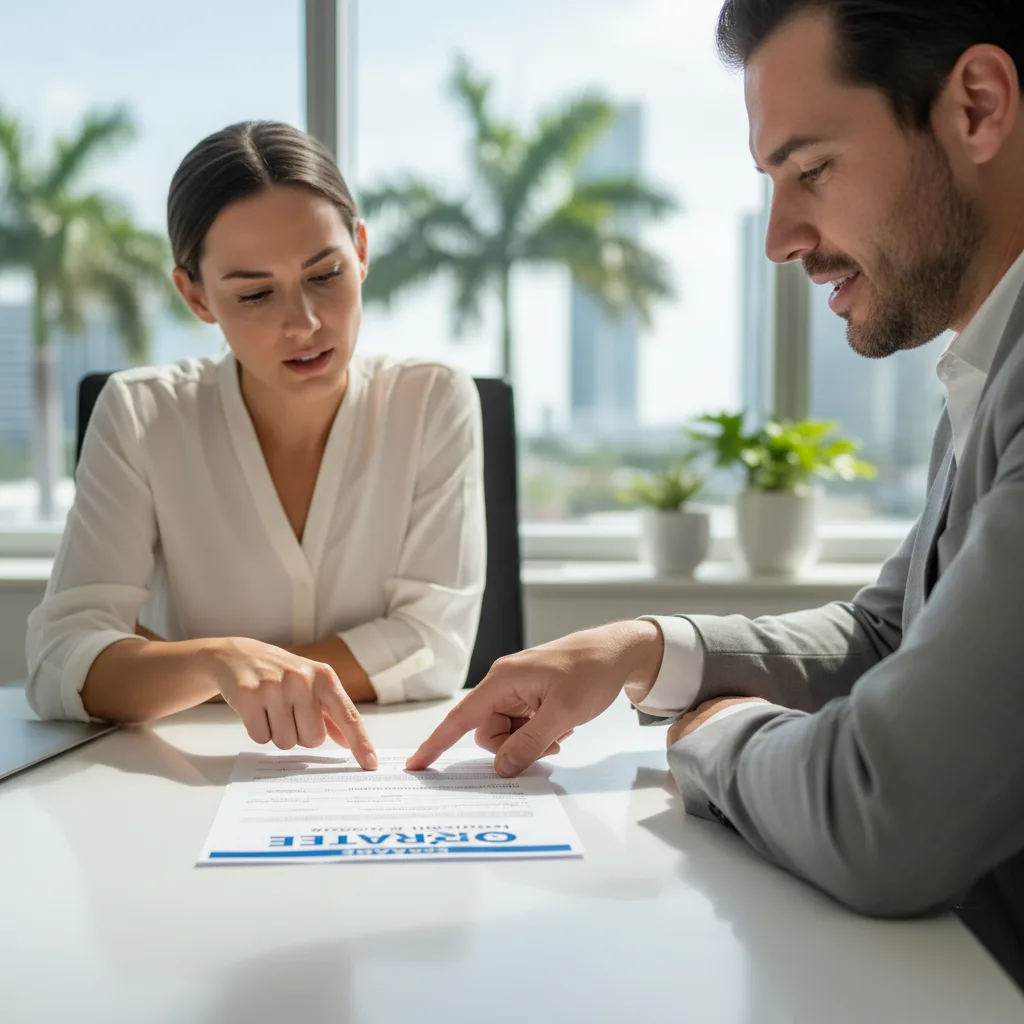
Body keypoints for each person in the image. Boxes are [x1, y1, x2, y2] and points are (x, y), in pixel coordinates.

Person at [409, 0, 1024, 985]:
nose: (780, 237)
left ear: (978, 108)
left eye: (811, 169)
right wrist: (643, 652)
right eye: (771, 183)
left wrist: (714, 737)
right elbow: (890, 635)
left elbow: (884, 811)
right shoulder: (985, 367)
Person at [26, 121, 487, 766]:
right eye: (255, 294)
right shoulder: (141, 413)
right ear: (195, 296)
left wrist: (179, 669)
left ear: (360, 249)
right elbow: (61, 660)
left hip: (393, 772)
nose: (303, 323)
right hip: (181, 783)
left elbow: (434, 647)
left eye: (325, 274)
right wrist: (218, 659)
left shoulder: (431, 400)